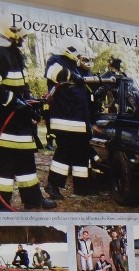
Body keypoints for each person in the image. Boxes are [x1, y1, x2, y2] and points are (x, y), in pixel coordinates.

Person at [0, 23, 55, 211]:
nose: (24, 40)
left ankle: (33, 199)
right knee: (2, 171)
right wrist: (12, 101)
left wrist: (31, 107)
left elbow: (21, 89)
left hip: (19, 126)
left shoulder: (15, 55)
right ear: (12, 35)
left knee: (26, 166)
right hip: (2, 127)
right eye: (22, 36)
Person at [44, 42, 95, 199]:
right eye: (78, 55)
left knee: (81, 154)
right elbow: (54, 73)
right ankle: (52, 185)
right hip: (65, 120)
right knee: (64, 154)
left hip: (79, 121)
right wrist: (74, 76)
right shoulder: (55, 60)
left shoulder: (74, 66)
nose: (80, 58)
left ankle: (82, 189)